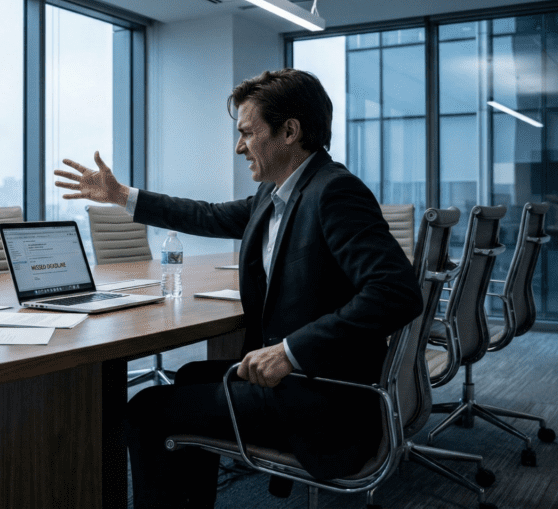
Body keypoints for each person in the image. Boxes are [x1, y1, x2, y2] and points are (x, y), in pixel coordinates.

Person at [53, 68, 423, 508]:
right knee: (191, 376)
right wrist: (121, 195)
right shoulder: (277, 193)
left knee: (148, 410)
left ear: (290, 132)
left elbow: (396, 291)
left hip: (327, 396)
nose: (239, 146)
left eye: (248, 133)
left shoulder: (335, 191)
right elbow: (206, 215)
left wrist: (290, 351)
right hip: (310, 381)